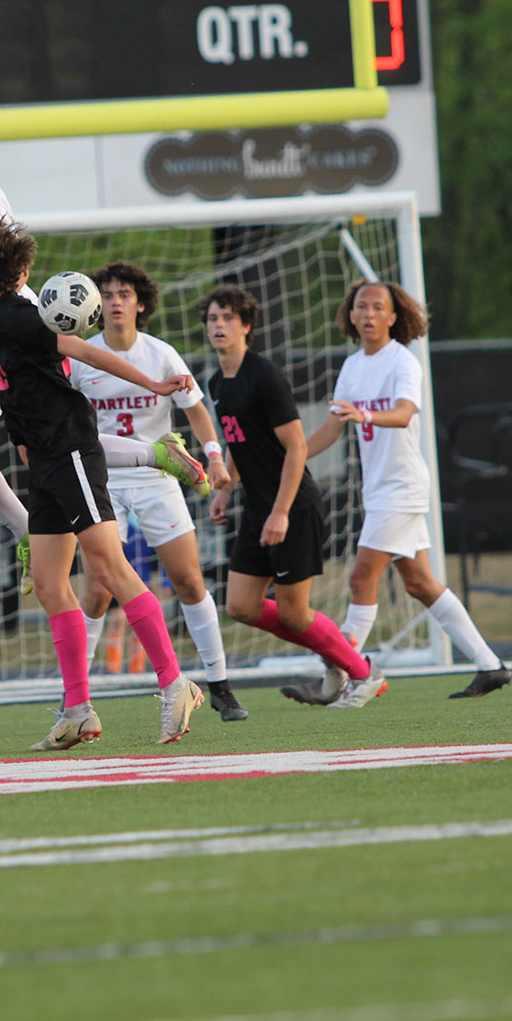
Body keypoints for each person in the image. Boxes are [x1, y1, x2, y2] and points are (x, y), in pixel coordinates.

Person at [0, 85, 206, 595]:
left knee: (45, 449)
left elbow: (13, 264)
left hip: (15, 332)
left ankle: (154, 455)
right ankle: (28, 529)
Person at [0, 218, 205, 750]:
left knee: (110, 568)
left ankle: (176, 684)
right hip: (45, 464)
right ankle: (78, 711)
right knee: (51, 584)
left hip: (71, 450)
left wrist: (152, 383)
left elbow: (83, 350)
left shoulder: (19, 317)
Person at [294, 280, 510, 704]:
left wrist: (365, 415)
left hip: (402, 487)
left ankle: (340, 679)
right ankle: (490, 665)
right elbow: (333, 427)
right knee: (420, 583)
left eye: (378, 307)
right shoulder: (352, 366)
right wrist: (293, 455)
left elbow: (404, 413)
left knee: (361, 578)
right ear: (351, 315)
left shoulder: (403, 361)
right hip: (380, 490)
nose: (369, 314)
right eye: (362, 306)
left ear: (393, 317)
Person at [71, 262, 247, 722]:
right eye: (107, 294)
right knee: (97, 590)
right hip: (103, 483)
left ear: (141, 303)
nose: (115, 301)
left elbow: (197, 411)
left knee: (188, 580)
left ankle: (220, 684)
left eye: (124, 294)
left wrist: (213, 457)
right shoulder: (82, 357)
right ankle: (77, 699)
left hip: (157, 478)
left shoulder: (161, 354)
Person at [201, 285, 385, 709]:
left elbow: (297, 446)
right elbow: (238, 440)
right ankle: (338, 653)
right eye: (212, 319)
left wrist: (280, 512)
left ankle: (362, 672)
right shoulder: (217, 382)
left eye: (228, 318)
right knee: (241, 606)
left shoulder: (264, 376)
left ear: (246, 326)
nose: (219, 325)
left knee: (295, 614)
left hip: (293, 507)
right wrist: (227, 487)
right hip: (257, 508)